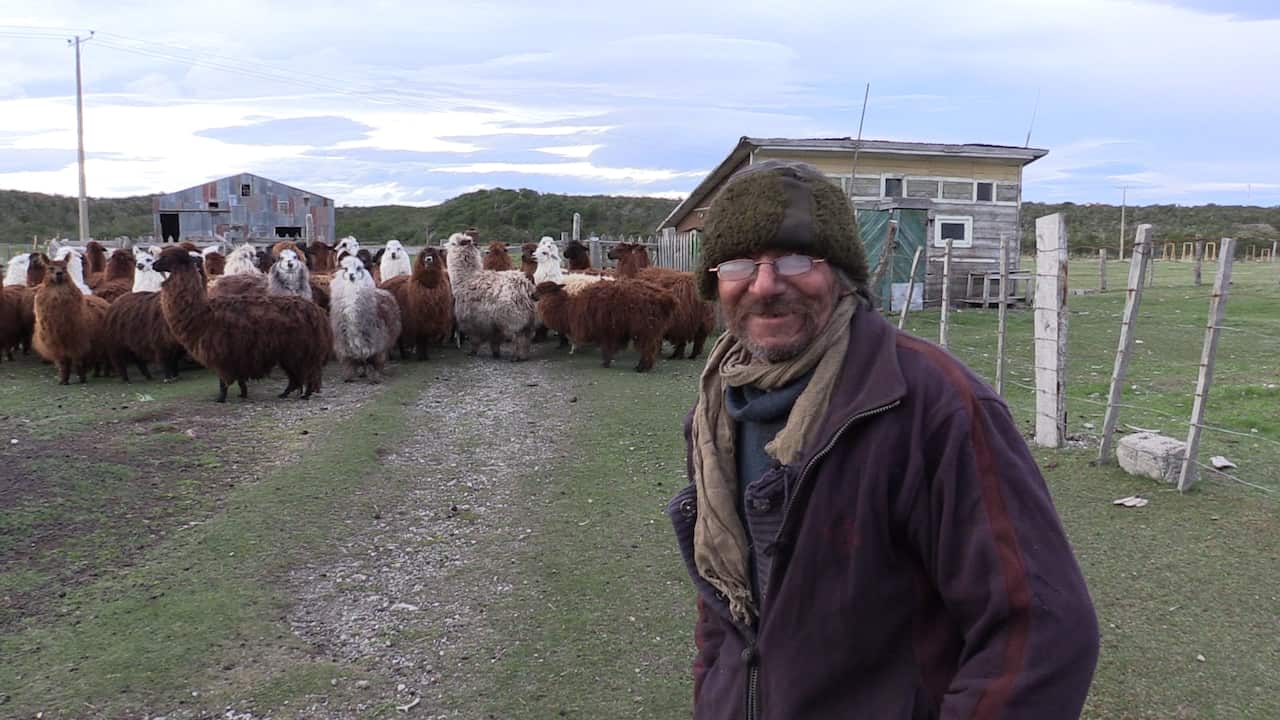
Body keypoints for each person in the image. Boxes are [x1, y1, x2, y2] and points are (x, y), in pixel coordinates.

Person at [667, 160, 1099, 719]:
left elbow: (1041, 630)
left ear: (844, 274)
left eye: (797, 259)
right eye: (739, 263)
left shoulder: (934, 406)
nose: (766, 284)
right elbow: (727, 606)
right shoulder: (717, 414)